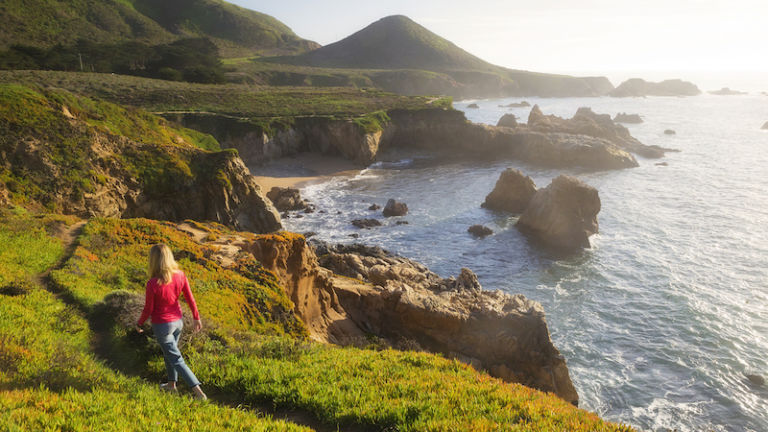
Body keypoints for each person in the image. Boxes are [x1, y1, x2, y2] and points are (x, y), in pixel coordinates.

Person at [136, 243, 207, 400]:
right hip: (178, 323)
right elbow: (190, 299)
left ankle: (199, 394)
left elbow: (148, 309)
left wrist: (139, 323)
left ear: (153, 261)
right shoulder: (180, 275)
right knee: (170, 355)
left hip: (162, 326)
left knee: (176, 358)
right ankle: (171, 385)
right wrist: (196, 317)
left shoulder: (153, 283)